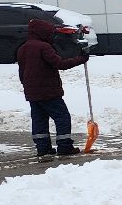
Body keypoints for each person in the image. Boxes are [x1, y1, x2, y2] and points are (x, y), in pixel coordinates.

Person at [16, 19, 89, 158]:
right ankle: (64, 146)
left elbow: (22, 71)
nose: (51, 35)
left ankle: (43, 148)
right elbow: (60, 63)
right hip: (48, 91)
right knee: (62, 117)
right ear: (42, 32)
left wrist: (27, 86)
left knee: (39, 119)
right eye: (49, 33)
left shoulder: (22, 48)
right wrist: (81, 59)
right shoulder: (44, 47)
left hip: (32, 92)